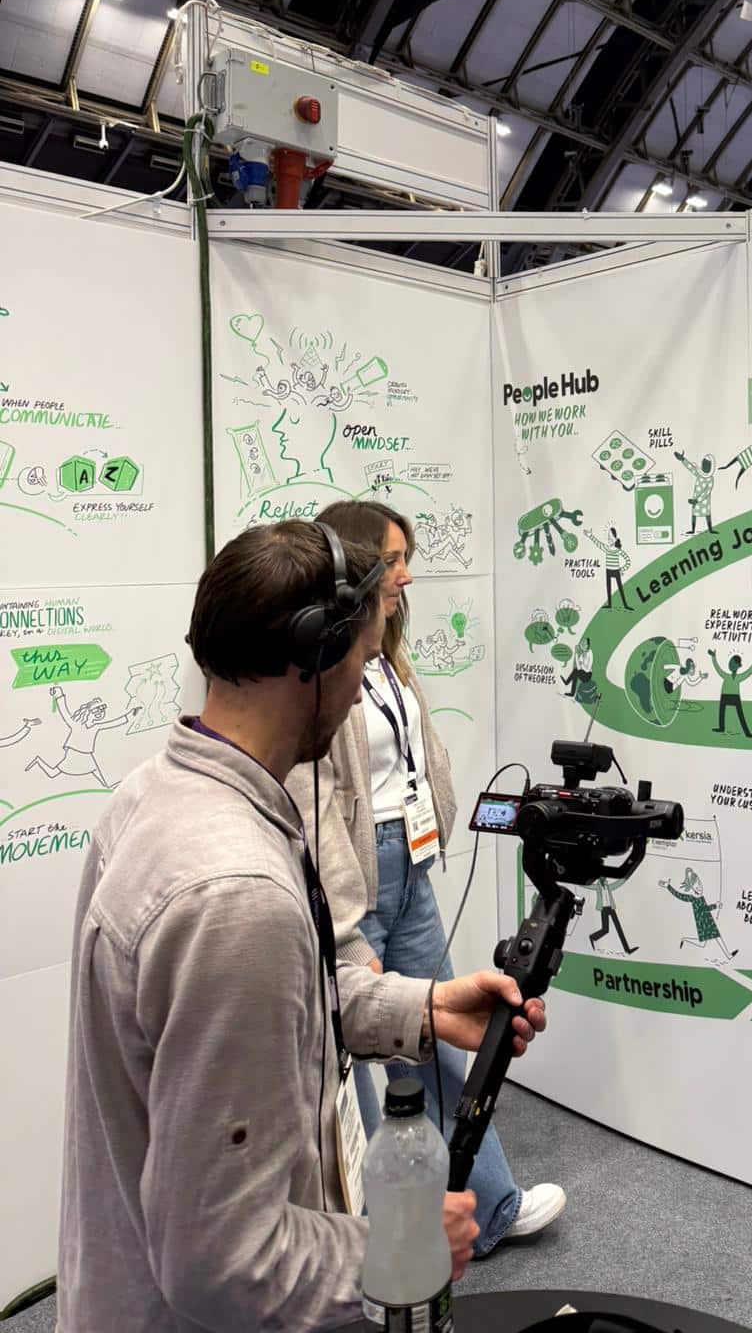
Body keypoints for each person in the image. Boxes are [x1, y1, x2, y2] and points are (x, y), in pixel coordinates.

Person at [57, 519, 547, 1330]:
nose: (361, 684)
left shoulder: (156, 795)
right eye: (359, 655)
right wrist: (401, 1244)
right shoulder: (235, 895)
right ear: (313, 657)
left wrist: (419, 1008)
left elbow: (278, 1009)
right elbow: (224, 1260)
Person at [288, 500, 565, 1255]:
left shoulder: (386, 653)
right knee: (353, 1059)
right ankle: (375, 1236)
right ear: (354, 567)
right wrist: (343, 916)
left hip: (409, 865)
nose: (407, 575)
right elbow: (316, 800)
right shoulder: (325, 667)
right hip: (355, 870)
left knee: (443, 1033)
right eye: (393, 560)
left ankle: (490, 1204)